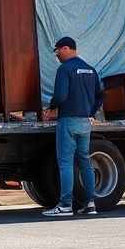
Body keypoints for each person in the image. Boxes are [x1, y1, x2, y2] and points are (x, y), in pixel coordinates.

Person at [42, 36, 104, 217]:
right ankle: (90, 203)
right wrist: (91, 112)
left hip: (68, 120)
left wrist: (51, 107)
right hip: (85, 122)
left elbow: (60, 95)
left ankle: (65, 205)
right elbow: (100, 95)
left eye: (58, 51)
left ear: (66, 48)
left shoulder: (65, 69)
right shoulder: (90, 70)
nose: (57, 55)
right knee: (85, 161)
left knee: (66, 163)